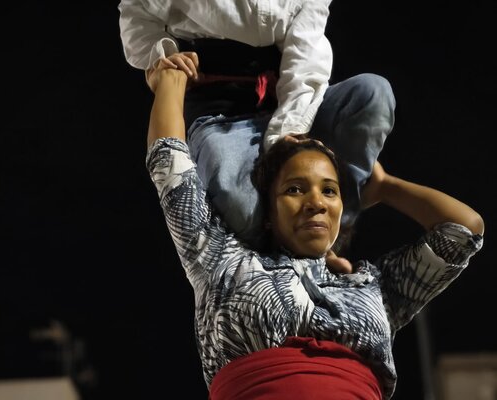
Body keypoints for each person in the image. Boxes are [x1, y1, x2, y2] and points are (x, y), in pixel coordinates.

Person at [145, 67, 484, 399]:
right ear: (267, 213)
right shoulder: (224, 261)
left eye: (330, 191)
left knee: (373, 89)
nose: (316, 203)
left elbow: (463, 231)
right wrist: (171, 79)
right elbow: (172, 172)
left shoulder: (372, 289)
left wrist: (386, 187)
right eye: (294, 190)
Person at [118, 0, 396, 262]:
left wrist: (288, 134)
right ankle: (278, 264)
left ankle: (326, 241)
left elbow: (306, 49)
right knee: (242, 209)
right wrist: (164, 53)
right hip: (217, 113)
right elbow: (136, 13)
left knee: (372, 93)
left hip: (292, 99)